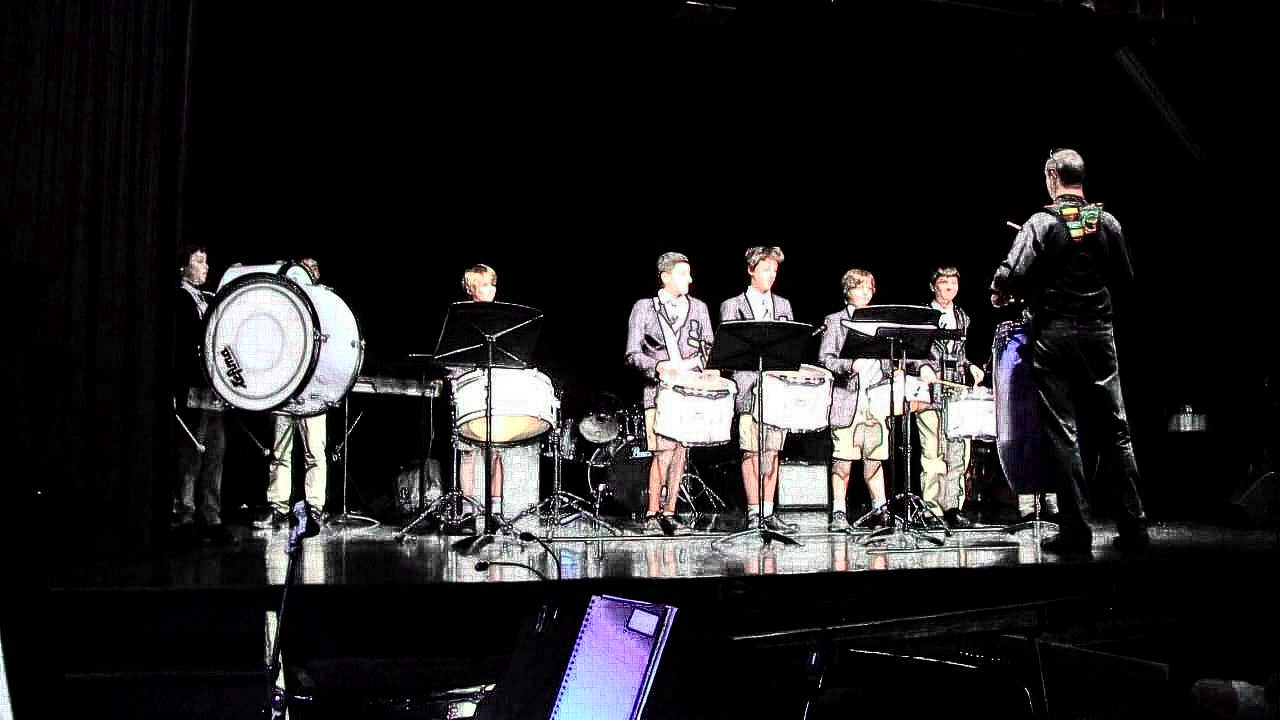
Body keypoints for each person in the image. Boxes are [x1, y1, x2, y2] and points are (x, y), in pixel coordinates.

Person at [990, 148, 1149, 553]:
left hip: (1054, 336)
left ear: (1051, 176)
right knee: (1116, 430)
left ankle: (1076, 531)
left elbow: (1010, 275)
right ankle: (1135, 525)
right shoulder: (1107, 222)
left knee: (1064, 433)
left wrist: (1002, 291)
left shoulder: (1041, 223)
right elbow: (1126, 277)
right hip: (1099, 335)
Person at [625, 252, 716, 536]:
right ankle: (653, 513)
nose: (690, 279)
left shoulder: (699, 308)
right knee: (663, 452)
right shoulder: (644, 308)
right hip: (658, 391)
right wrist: (657, 366)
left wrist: (707, 368)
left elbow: (710, 346)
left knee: (680, 453)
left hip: (689, 391)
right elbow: (632, 354)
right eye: (682, 274)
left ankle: (671, 513)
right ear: (665, 277)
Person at [719, 246, 797, 533]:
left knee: (773, 451)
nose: (771, 275)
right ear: (751, 270)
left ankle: (768, 510)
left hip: (777, 390)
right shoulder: (733, 305)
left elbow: (791, 348)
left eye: (775, 270)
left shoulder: (783, 305)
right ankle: (754, 511)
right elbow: (727, 349)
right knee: (751, 450)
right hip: (748, 388)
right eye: (766, 269)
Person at [255, 257, 329, 530]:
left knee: (315, 452)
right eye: (303, 267)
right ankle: (278, 507)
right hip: (285, 390)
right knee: (279, 453)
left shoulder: (325, 305)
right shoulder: (282, 304)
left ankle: (315, 508)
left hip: (314, 392)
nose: (308, 271)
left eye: (313, 267)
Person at [819, 269, 893, 532]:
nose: (866, 292)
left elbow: (888, 357)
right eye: (860, 287)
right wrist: (849, 366)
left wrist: (893, 369)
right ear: (848, 290)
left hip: (875, 400)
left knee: (875, 458)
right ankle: (839, 512)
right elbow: (825, 359)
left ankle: (880, 509)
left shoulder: (879, 321)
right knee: (843, 460)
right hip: (847, 399)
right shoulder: (835, 321)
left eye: (870, 288)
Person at [173, 245, 233, 546]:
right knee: (191, 456)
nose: (205, 267)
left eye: (206, 261)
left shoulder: (208, 300)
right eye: (198, 261)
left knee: (215, 456)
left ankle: (212, 516)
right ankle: (184, 515)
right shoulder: (179, 299)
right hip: (193, 390)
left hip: (213, 390)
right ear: (183, 267)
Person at [914, 267, 983, 530]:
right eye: (944, 282)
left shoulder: (963, 317)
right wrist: (922, 366)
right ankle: (932, 509)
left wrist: (971, 366)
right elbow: (912, 352)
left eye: (953, 282)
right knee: (933, 452)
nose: (949, 287)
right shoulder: (922, 315)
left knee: (958, 453)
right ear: (933, 286)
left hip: (956, 392)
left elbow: (961, 355)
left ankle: (953, 506)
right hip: (930, 393)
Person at [450, 264, 504, 527]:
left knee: (496, 451)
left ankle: (496, 512)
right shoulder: (460, 317)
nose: (490, 290)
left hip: (495, 384)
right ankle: (468, 512)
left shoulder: (503, 317)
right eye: (484, 285)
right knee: (468, 452)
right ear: (472, 288)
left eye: (492, 284)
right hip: (468, 385)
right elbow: (450, 356)